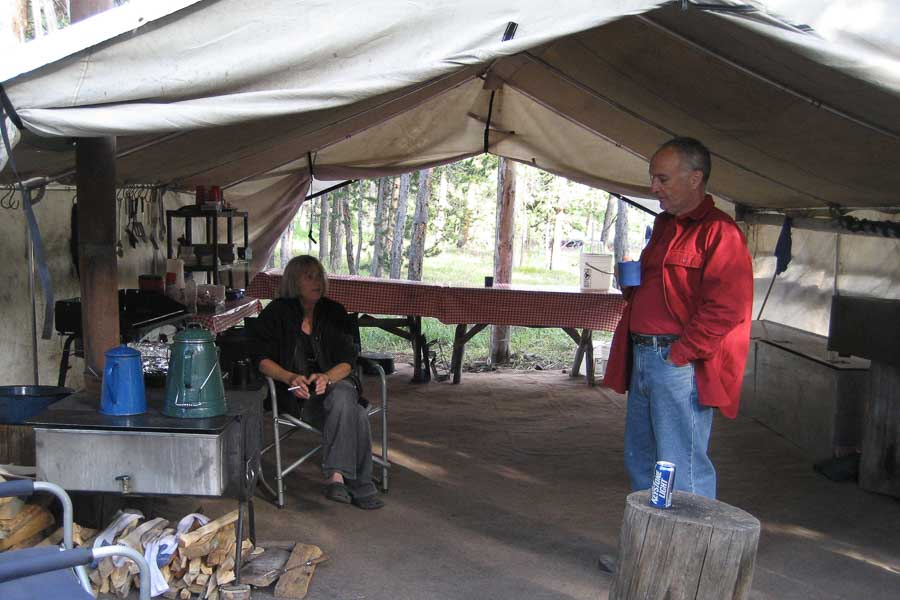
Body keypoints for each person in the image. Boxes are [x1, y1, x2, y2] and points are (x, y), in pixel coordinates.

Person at [602, 137, 753, 499]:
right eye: (654, 178)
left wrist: (680, 355)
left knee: (680, 466)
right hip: (643, 355)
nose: (654, 187)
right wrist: (633, 287)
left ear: (694, 178)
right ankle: (655, 544)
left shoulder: (720, 232)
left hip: (675, 361)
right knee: (642, 459)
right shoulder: (666, 225)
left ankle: (693, 550)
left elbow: (727, 308)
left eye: (663, 179)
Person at [252, 255, 384, 509]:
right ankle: (361, 484)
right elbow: (260, 359)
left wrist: (326, 377)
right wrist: (290, 377)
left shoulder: (334, 312)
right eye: (309, 277)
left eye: (319, 276)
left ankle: (337, 476)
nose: (317, 282)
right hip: (297, 395)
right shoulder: (276, 313)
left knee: (343, 393)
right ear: (293, 281)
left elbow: (348, 359)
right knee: (355, 412)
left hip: (336, 386)